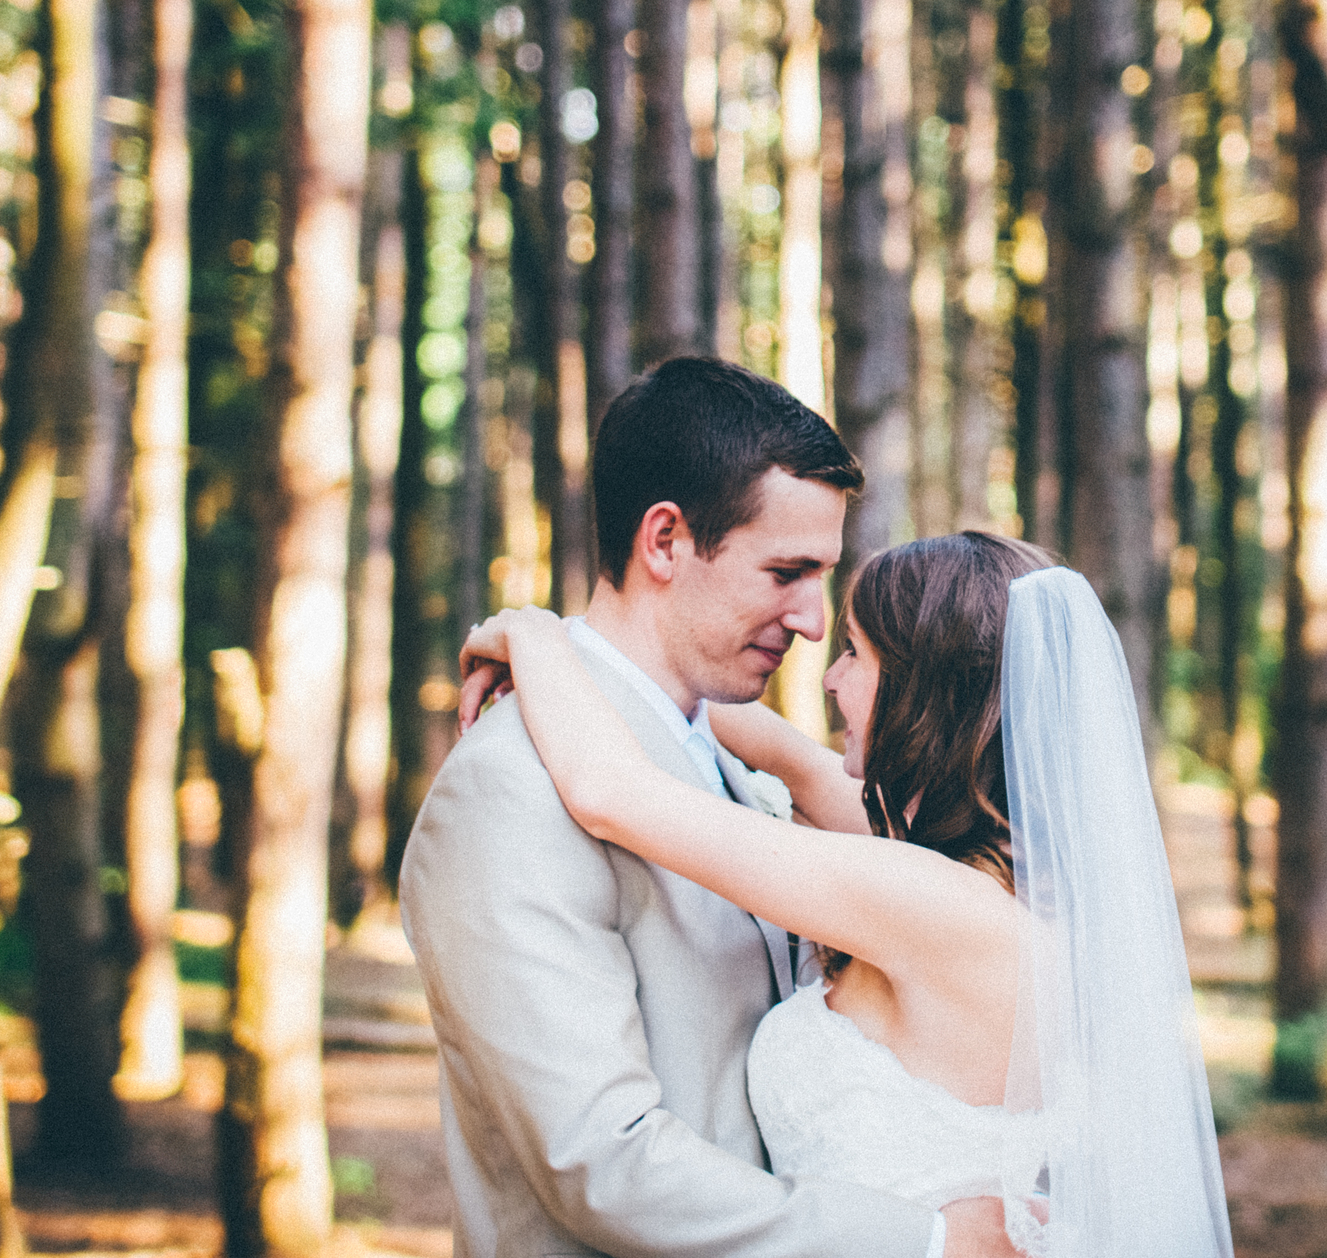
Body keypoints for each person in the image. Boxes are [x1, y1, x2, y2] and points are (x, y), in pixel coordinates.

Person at [457, 532, 1235, 1256]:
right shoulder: (990, 888)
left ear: (925, 692)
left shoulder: (923, 899)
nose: (830, 679)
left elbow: (610, 792)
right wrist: (615, 652)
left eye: (856, 654)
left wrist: (534, 638)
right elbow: (790, 755)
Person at [399, 357, 1015, 1258]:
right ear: (664, 542)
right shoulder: (508, 789)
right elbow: (600, 1164)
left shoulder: (736, 766)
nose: (812, 620)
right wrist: (920, 1241)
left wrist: (537, 634)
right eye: (786, 571)